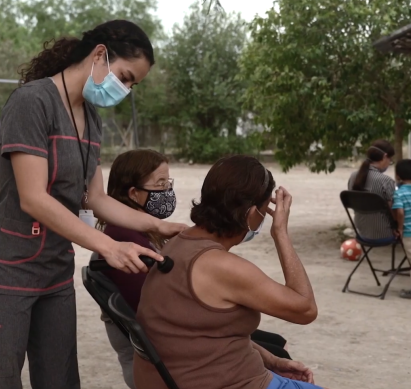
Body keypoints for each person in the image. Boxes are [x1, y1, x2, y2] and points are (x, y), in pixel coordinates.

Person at [0, 20, 186, 389]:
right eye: (125, 77)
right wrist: (108, 245)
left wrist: (155, 226)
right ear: (100, 55)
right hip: (6, 272)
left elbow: (95, 199)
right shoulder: (33, 102)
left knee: (60, 379)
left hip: (55, 272)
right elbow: (33, 198)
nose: (124, 90)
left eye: (131, 85)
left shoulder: (91, 119)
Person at [97, 149, 291, 388]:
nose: (168, 190)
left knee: (273, 345)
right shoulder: (126, 242)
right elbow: (168, 314)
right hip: (168, 360)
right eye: (160, 184)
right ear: (134, 193)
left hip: (168, 353)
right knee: (273, 350)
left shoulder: (146, 232)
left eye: (169, 182)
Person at [134, 155, 326, 389]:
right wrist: (281, 234)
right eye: (265, 211)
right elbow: (305, 310)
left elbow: (204, 332)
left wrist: (271, 359)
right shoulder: (220, 266)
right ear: (250, 213)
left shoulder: (178, 244)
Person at [348, 140, 396, 240]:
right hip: (384, 233)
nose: (389, 163)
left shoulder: (353, 176)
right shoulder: (386, 181)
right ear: (384, 157)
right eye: (390, 160)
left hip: (361, 232)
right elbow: (393, 211)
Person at [392, 159, 411, 299]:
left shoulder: (399, 193)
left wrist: (399, 228)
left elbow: (400, 212)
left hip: (409, 233)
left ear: (398, 176)